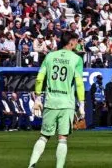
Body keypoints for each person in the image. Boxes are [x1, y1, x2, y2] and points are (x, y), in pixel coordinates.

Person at [29, 32, 85, 168]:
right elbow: (79, 83)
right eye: (76, 41)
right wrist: (82, 104)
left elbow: (39, 78)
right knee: (62, 138)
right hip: (67, 103)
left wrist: (37, 98)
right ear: (71, 42)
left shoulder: (50, 56)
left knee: (44, 136)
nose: (77, 44)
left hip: (50, 102)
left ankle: (31, 165)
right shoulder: (76, 59)